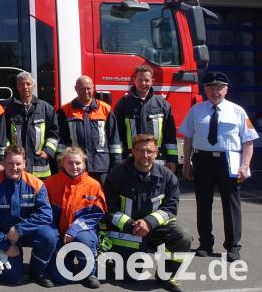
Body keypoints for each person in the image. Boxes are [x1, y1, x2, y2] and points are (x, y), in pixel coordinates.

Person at [181, 72, 257, 263]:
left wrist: (245, 165)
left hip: (229, 160)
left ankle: (233, 246)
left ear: (226, 89)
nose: (215, 92)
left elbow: (248, 141)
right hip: (202, 160)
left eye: (219, 88)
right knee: (203, 203)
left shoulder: (238, 111)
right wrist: (186, 163)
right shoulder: (196, 110)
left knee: (231, 204)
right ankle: (205, 243)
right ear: (205, 89)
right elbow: (188, 138)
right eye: (211, 88)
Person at [103, 134, 191, 292]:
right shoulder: (117, 174)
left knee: (182, 237)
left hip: (154, 227)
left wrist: (149, 223)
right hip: (127, 230)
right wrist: (131, 225)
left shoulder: (167, 176)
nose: (145, 155)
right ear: (133, 151)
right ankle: (112, 261)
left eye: (149, 151)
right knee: (129, 277)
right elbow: (109, 209)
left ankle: (166, 276)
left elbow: (170, 208)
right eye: (140, 151)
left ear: (156, 152)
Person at [0, 145, 57, 287]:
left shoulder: (36, 184)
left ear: (25, 164)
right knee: (12, 278)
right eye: (10, 163)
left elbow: (46, 215)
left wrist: (20, 229)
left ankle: (38, 271)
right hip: (4, 236)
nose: (14, 168)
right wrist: (4, 245)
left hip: (26, 231)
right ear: (4, 163)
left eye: (18, 164)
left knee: (49, 236)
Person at [44, 147, 106, 288]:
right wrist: (55, 241)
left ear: (84, 163)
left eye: (78, 163)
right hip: (59, 232)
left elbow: (96, 214)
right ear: (62, 164)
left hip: (83, 231)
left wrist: (74, 229)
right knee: (60, 277)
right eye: (70, 163)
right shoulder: (51, 182)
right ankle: (66, 261)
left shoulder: (93, 185)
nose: (74, 166)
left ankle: (89, 273)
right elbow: (45, 213)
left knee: (84, 239)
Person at [113, 65, 178, 172]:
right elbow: (117, 135)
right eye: (140, 80)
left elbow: (169, 134)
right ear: (134, 80)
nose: (143, 83)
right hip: (131, 159)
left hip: (157, 159)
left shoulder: (162, 104)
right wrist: (118, 160)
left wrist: (172, 159)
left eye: (147, 80)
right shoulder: (123, 104)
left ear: (152, 81)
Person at [57, 75, 121, 183]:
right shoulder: (65, 110)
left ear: (93, 88)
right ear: (76, 89)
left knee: (101, 193)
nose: (86, 91)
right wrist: (61, 165)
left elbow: (114, 141)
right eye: (82, 88)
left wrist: (116, 165)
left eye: (88, 88)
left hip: (101, 166)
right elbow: (61, 143)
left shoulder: (105, 109)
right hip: (75, 166)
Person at [3, 71, 60, 180]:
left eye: (28, 84)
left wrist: (47, 152)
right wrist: (8, 154)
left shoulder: (46, 108)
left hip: (39, 166)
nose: (25, 87)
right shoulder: (7, 108)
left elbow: (54, 133)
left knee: (40, 191)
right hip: (15, 165)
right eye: (22, 84)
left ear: (33, 86)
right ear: (17, 86)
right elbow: (3, 135)